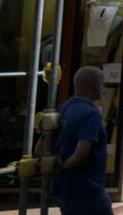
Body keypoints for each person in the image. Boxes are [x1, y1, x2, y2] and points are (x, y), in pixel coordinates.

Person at [39, 66, 110, 214]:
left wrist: (56, 163)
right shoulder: (92, 115)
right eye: (103, 83)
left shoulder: (62, 109)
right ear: (96, 84)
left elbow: (39, 149)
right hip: (86, 190)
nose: (104, 88)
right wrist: (64, 165)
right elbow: (81, 154)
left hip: (61, 190)